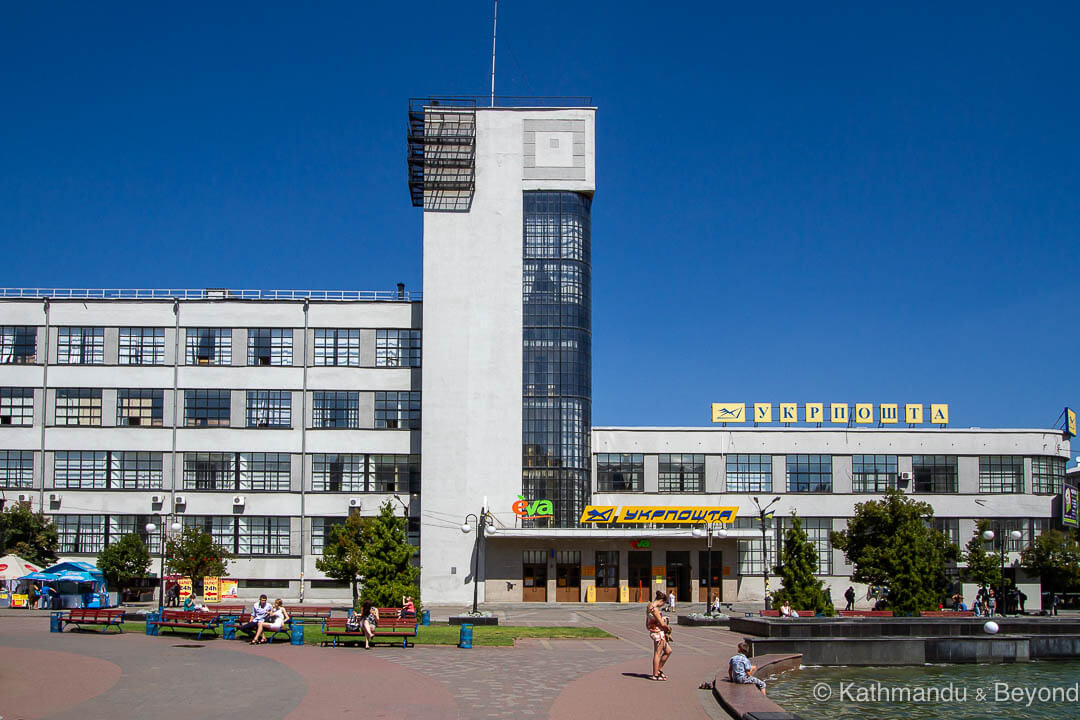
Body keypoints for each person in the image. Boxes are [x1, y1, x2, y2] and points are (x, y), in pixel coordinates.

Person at [646, 590, 673, 681]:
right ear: (661, 600)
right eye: (663, 603)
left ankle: (659, 670)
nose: (662, 605)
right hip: (658, 632)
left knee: (668, 651)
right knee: (657, 653)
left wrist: (663, 618)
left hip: (655, 630)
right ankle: (655, 674)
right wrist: (668, 628)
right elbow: (662, 624)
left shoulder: (650, 605)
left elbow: (652, 619)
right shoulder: (655, 609)